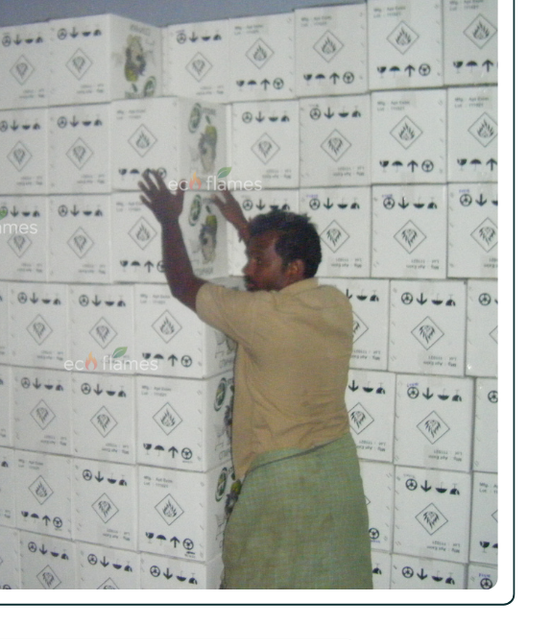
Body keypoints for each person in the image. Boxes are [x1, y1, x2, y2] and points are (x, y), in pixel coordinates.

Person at [138, 169, 372, 589]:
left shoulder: (263, 316)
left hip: (285, 479)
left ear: (294, 268)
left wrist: (168, 219)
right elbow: (276, 277)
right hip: (338, 470)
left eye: (258, 260)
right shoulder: (335, 303)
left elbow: (183, 284)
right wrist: (245, 229)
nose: (248, 268)